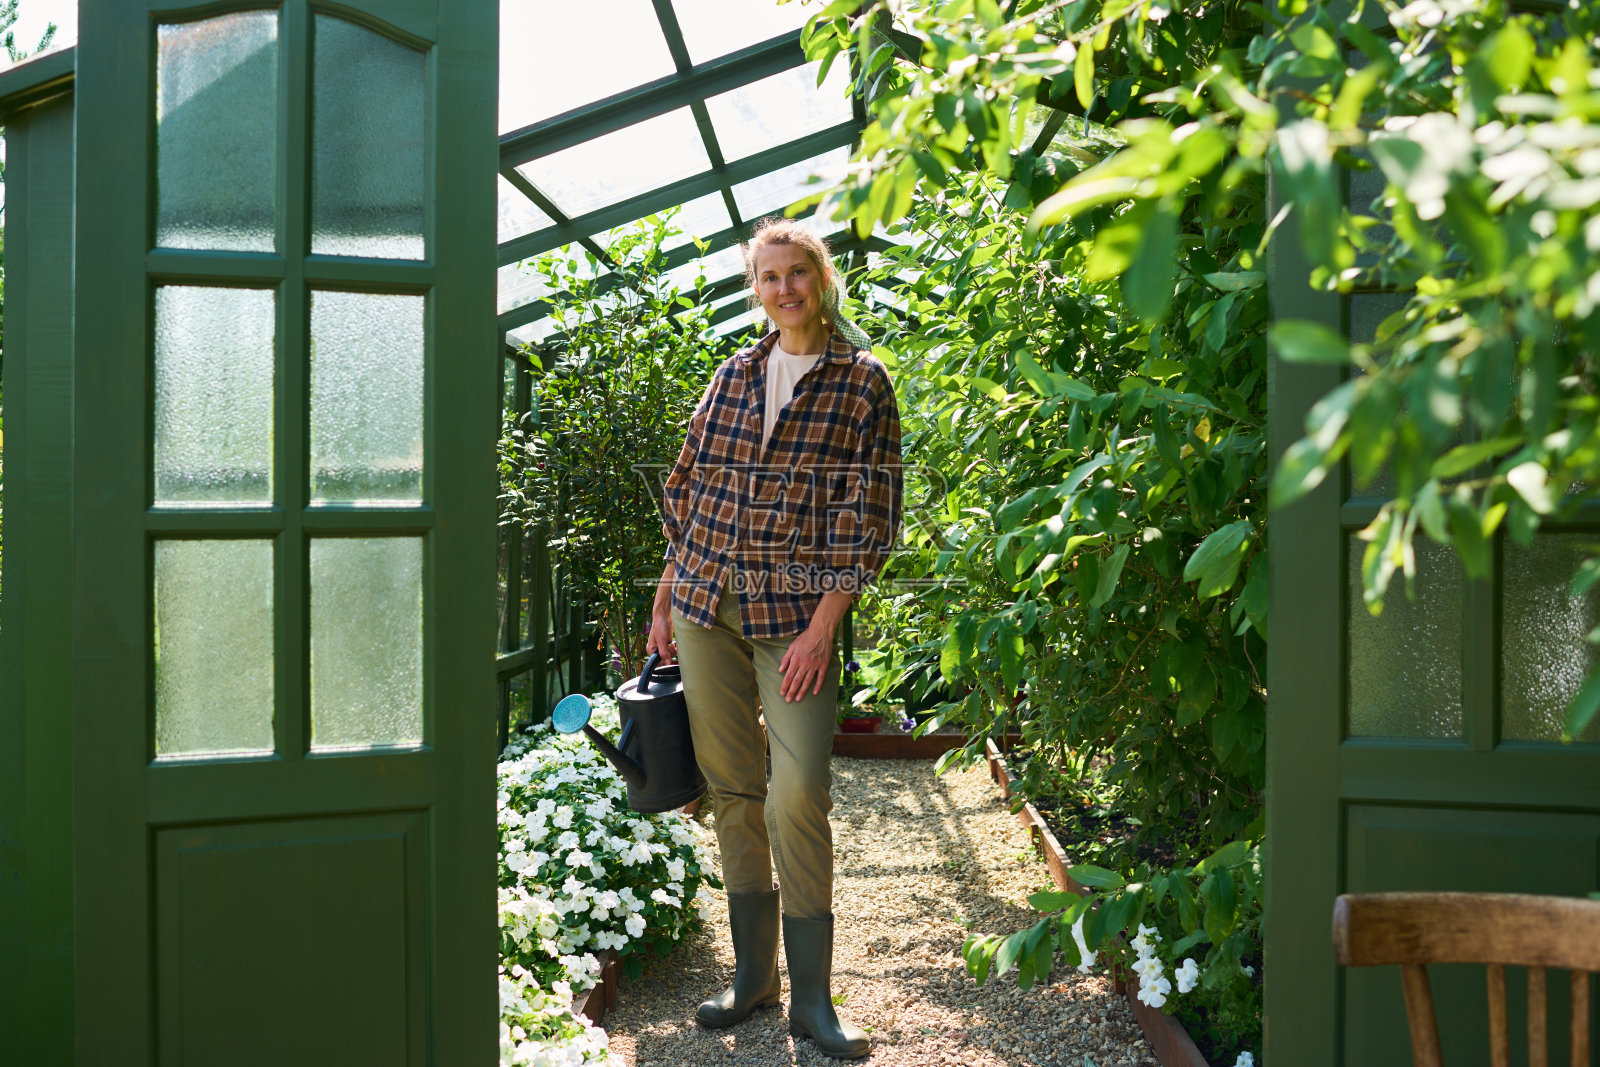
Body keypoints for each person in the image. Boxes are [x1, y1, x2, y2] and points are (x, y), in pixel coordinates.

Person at [644, 217, 902, 1059]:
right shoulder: (733, 374)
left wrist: (825, 627)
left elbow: (871, 517)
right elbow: (687, 491)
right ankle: (754, 977)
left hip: (795, 621)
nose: (784, 288)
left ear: (821, 279)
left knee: (798, 791)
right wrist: (664, 597)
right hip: (704, 605)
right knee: (732, 788)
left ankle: (814, 1001)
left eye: (798, 272)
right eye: (769, 276)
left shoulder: (862, 382)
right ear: (755, 288)